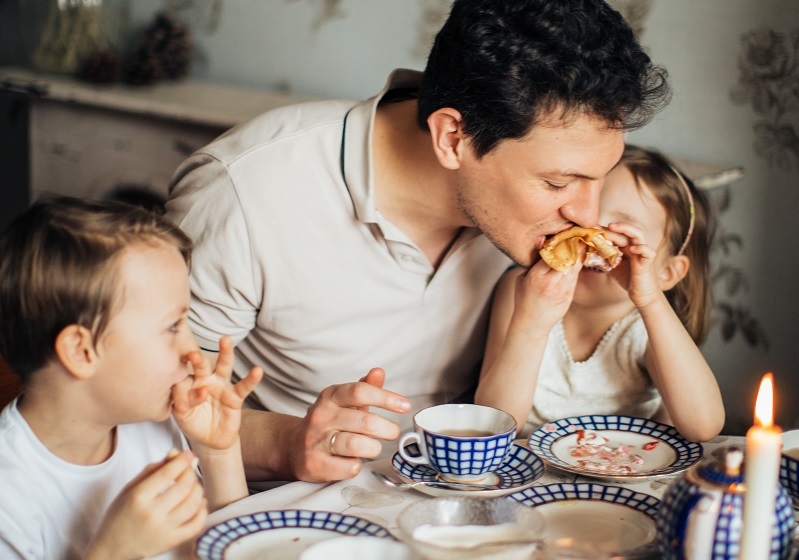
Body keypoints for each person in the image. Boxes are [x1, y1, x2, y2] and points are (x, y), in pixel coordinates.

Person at [165, 0, 672, 483]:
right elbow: (151, 410)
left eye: (600, 177)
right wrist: (288, 442)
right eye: (558, 184)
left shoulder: (537, 213)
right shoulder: (244, 192)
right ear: (453, 137)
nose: (586, 213)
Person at [0, 197, 263, 560]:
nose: (194, 352)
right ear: (81, 351)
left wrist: (219, 453)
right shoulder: (9, 496)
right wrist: (113, 553)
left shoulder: (151, 425)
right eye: (173, 326)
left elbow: (229, 548)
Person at [475, 145, 725, 442]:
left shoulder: (647, 327)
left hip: (624, 472)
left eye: (621, 232)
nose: (593, 240)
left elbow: (704, 426)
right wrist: (531, 324)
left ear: (666, 273)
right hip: (534, 472)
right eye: (584, 223)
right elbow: (492, 426)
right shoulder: (524, 289)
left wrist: (651, 300)